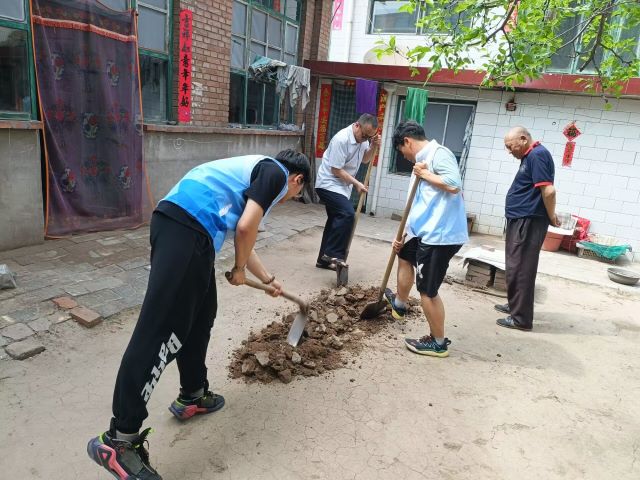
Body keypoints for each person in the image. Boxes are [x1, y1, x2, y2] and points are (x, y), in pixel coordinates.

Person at [87, 149, 311, 479]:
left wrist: (268, 280)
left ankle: (193, 394)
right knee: (160, 330)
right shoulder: (276, 174)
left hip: (189, 229)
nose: (288, 199)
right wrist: (236, 269)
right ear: (298, 180)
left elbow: (243, 235)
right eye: (295, 195)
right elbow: (248, 229)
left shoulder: (254, 173)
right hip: (187, 228)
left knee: (202, 315)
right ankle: (120, 441)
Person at [384, 121, 468, 357]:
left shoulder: (439, 155)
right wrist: (402, 234)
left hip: (440, 235)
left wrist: (425, 174)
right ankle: (399, 304)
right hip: (424, 230)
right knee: (405, 253)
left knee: (427, 290)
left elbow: (454, 185)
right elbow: (419, 201)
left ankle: (438, 343)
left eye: (402, 151)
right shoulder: (422, 159)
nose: (405, 156)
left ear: (407, 141)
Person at [495, 126, 560, 331]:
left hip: (528, 220)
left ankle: (521, 319)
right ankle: (516, 306)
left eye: (510, 146)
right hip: (521, 218)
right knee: (515, 265)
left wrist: (551, 216)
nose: (509, 151)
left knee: (521, 268)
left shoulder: (538, 155)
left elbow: (548, 191)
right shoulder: (530, 155)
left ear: (523, 139)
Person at [315, 113, 380, 270]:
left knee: (334, 221)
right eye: (364, 135)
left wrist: (372, 147)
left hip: (343, 187)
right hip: (328, 184)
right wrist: (357, 183)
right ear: (357, 125)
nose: (364, 139)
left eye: (368, 137)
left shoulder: (363, 140)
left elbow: (365, 159)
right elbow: (336, 170)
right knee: (347, 214)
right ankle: (333, 254)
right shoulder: (341, 139)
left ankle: (323, 260)